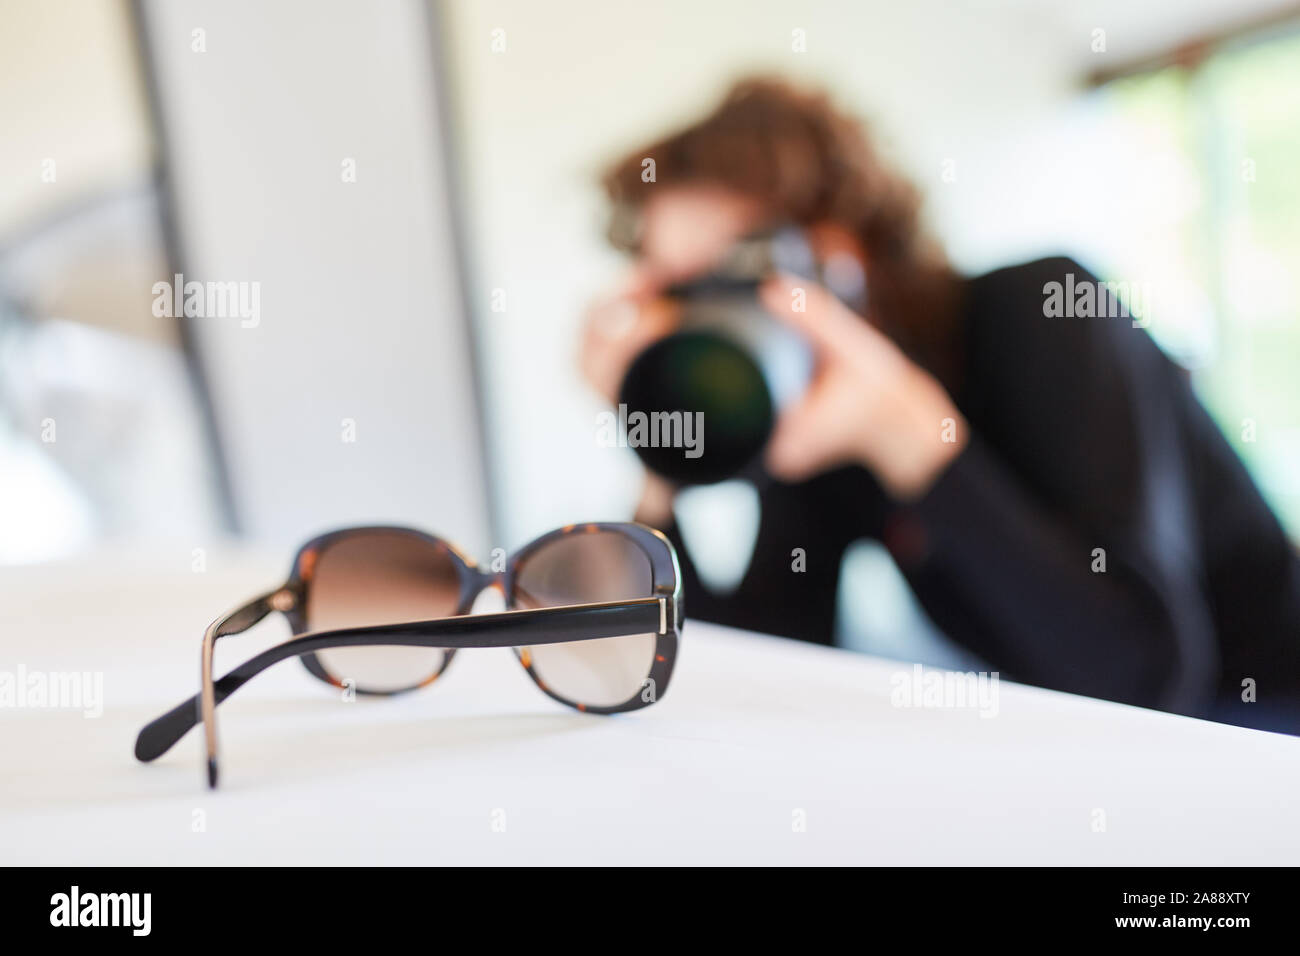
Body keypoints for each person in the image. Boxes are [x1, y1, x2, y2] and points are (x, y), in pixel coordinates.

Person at [579, 77, 1300, 734]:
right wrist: (660, 455)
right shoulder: (819, 419)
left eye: (728, 278)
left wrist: (911, 435)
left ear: (840, 248)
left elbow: (1148, 681)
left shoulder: (1046, 309)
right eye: (680, 295)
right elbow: (763, 665)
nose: (708, 325)